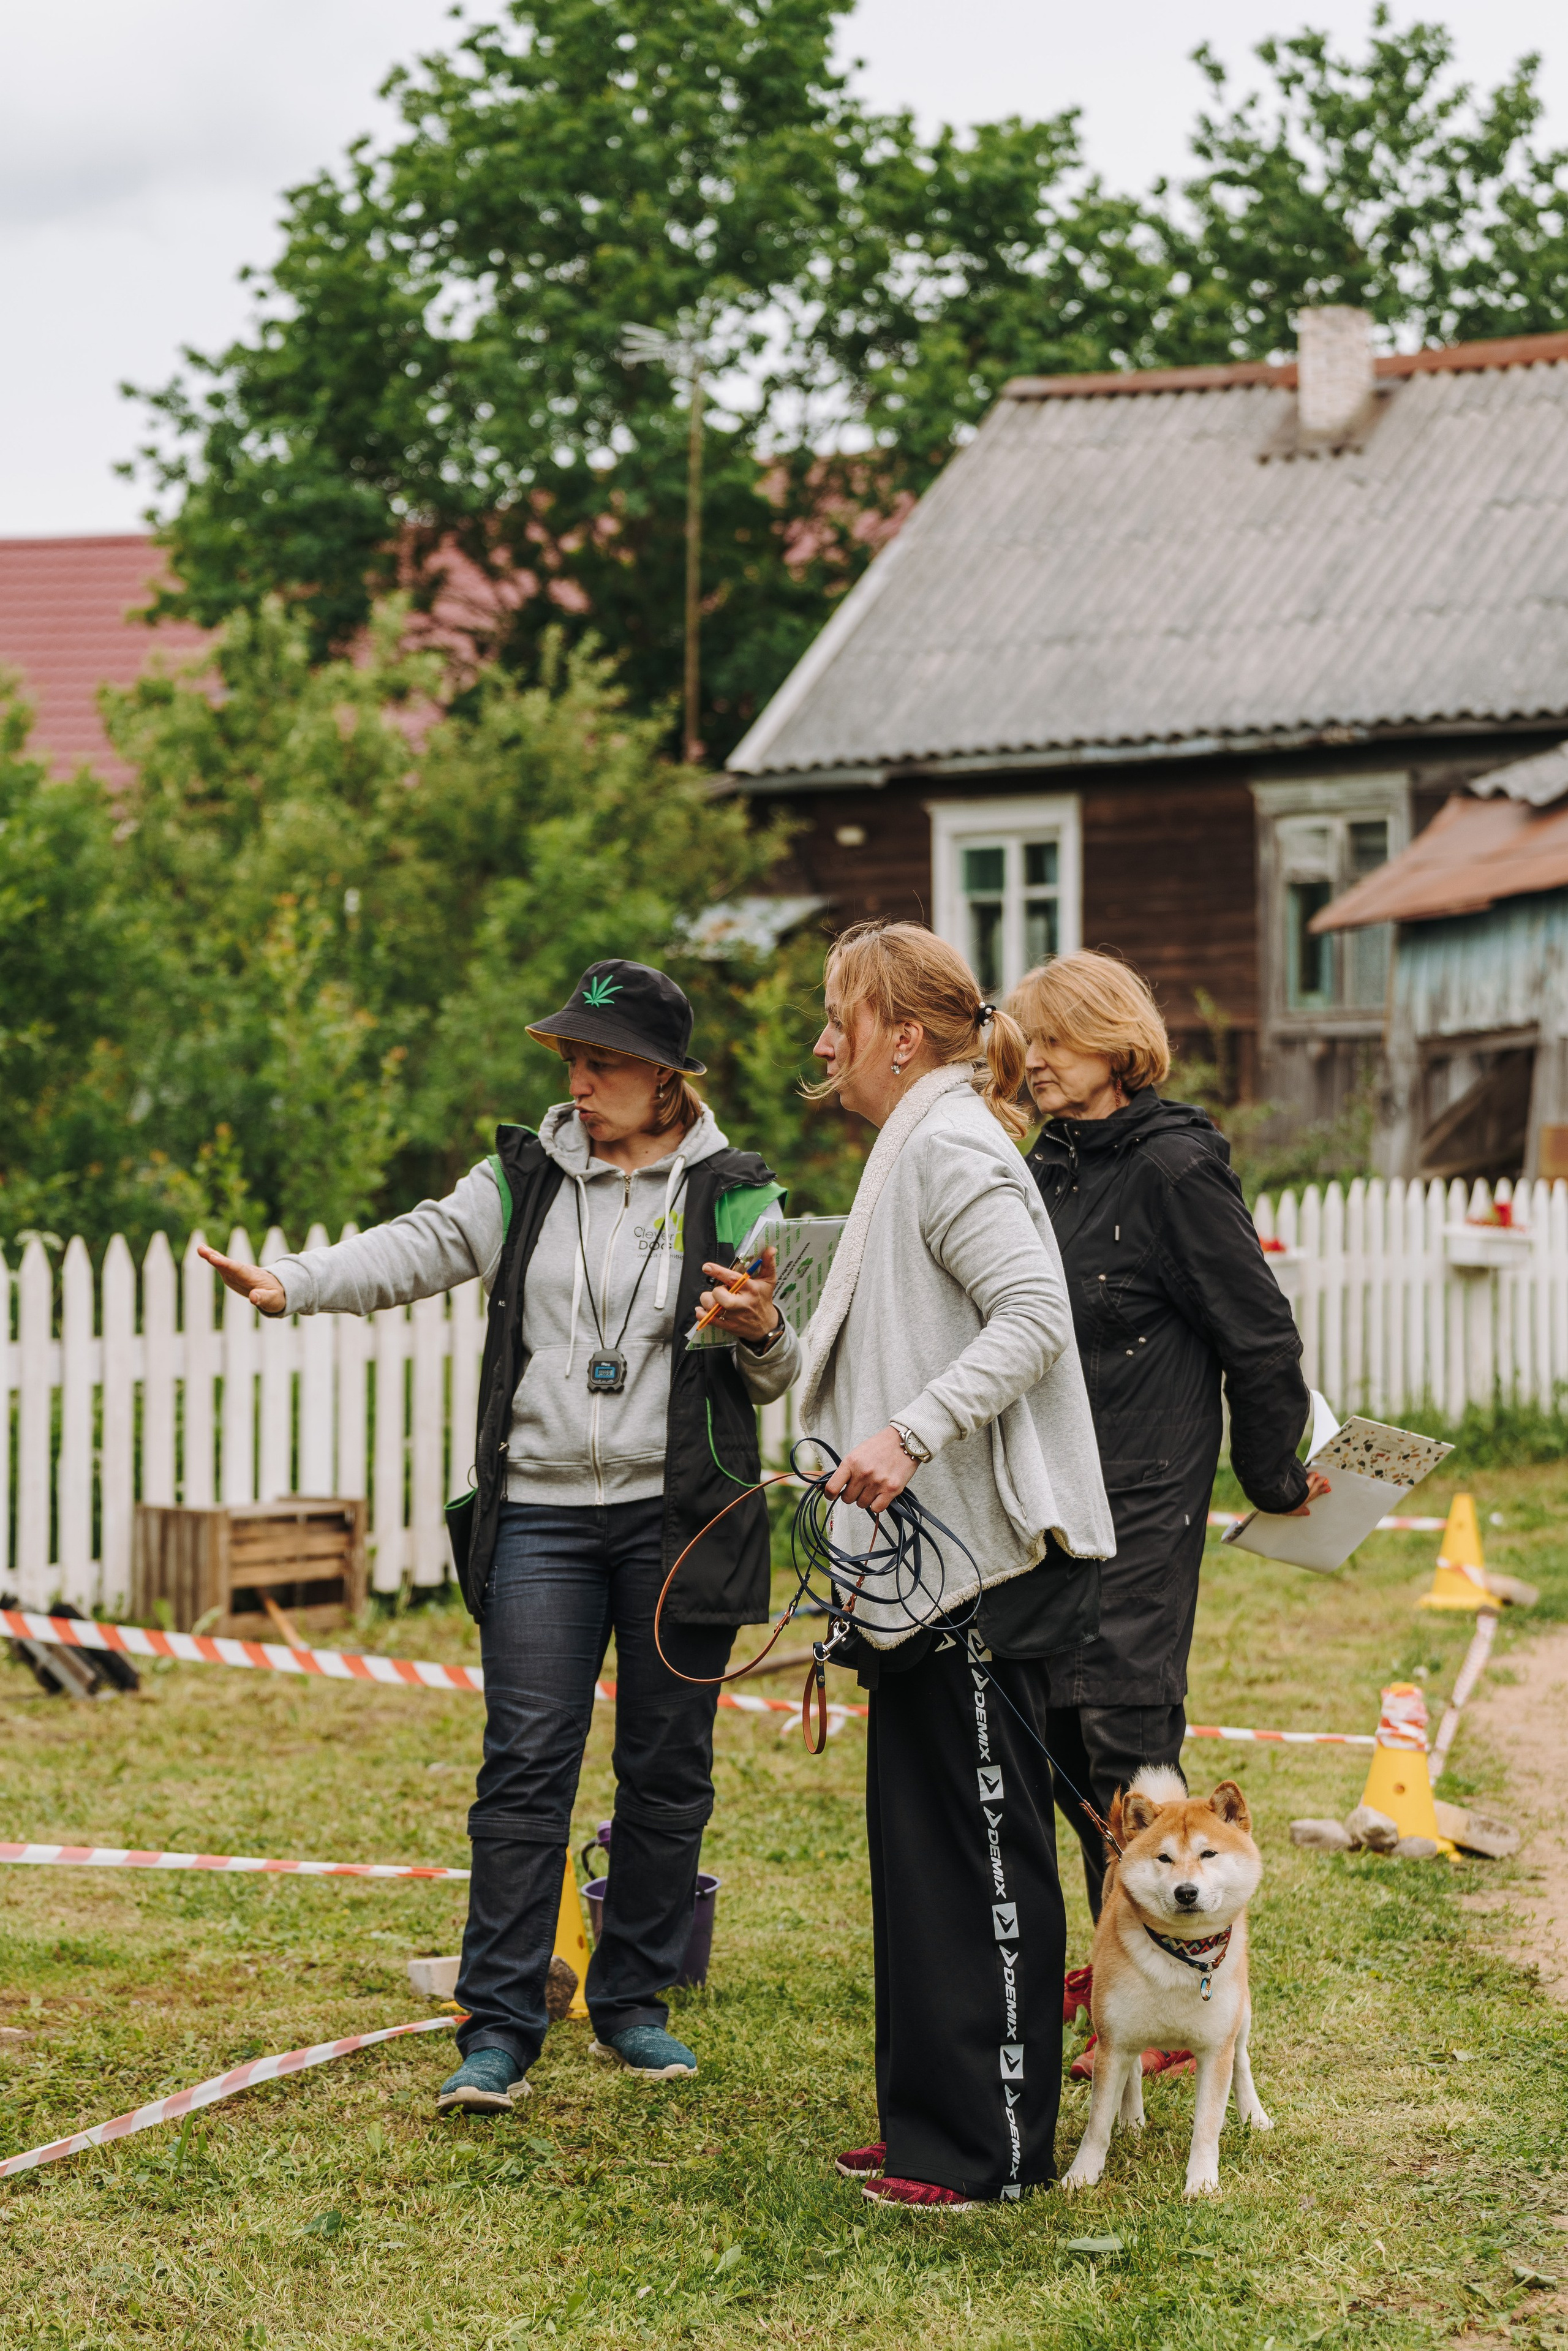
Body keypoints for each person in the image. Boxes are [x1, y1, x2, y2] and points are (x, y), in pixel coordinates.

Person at [199, 959, 799, 2111]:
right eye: (570, 1058)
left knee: (668, 1770)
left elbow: (779, 1371)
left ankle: (632, 2003)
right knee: (525, 1767)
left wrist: (763, 1330)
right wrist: (291, 1282)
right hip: (539, 1516)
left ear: (668, 1078)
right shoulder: (520, 1175)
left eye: (603, 1061)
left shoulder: (738, 1193)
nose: (578, 1080)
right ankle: (501, 2024)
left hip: (681, 1521)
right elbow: (416, 1245)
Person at [799, 920, 1115, 2214]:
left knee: (982, 1859)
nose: (824, 1043)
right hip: (924, 1575)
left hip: (981, 1563)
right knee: (927, 1854)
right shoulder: (915, 1141)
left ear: (904, 1035)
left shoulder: (947, 1143)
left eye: (839, 1018)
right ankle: (933, 2125)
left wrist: (910, 1430)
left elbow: (1034, 1315)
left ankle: (987, 2154)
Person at [1008, 949, 1325, 1946]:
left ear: (1115, 1042)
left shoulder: (1176, 1168)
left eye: (1054, 1041)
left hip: (1144, 1496)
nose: (1036, 1063)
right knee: (1053, 1727)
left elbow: (1260, 1334)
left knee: (1126, 1731)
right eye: (1028, 1044)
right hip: (1043, 1491)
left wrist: (1273, 1477)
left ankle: (1179, 1981)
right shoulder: (1043, 1165)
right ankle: (1126, 1957)